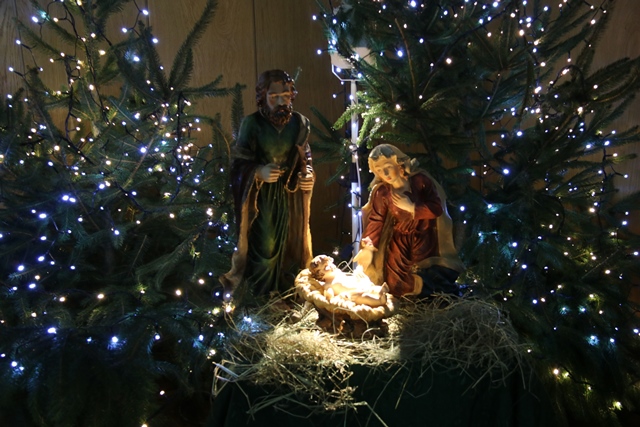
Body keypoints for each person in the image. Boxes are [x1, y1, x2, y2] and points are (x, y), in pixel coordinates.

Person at [220, 70, 314, 297]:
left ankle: (287, 292)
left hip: (289, 194)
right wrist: (258, 172)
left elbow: (305, 157)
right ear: (263, 96)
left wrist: (308, 175)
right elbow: (238, 162)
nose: (281, 102)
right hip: (261, 198)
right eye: (274, 96)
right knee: (266, 246)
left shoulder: (300, 123)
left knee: (290, 242)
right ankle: (262, 297)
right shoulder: (252, 124)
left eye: (286, 95)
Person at [353, 144, 464, 297]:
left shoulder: (420, 181)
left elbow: (436, 209)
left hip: (423, 237)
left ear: (399, 164)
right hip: (398, 241)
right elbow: (376, 220)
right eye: (379, 170)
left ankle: (425, 299)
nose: (385, 173)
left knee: (421, 272)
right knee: (395, 283)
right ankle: (406, 301)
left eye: (387, 167)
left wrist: (412, 207)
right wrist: (368, 248)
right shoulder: (382, 192)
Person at [308, 255, 388, 307]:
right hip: (353, 295)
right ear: (320, 275)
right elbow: (329, 296)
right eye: (325, 267)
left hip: (358, 285)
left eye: (330, 263)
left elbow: (348, 278)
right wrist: (331, 296)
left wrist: (357, 277)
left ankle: (380, 291)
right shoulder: (328, 284)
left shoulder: (337, 272)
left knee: (372, 289)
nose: (331, 266)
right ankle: (379, 301)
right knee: (364, 297)